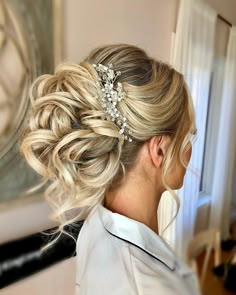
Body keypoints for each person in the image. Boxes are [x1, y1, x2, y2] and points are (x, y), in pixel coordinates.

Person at [20, 44, 200, 294]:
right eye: (189, 136)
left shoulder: (97, 222)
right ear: (159, 150)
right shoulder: (150, 287)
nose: (190, 150)